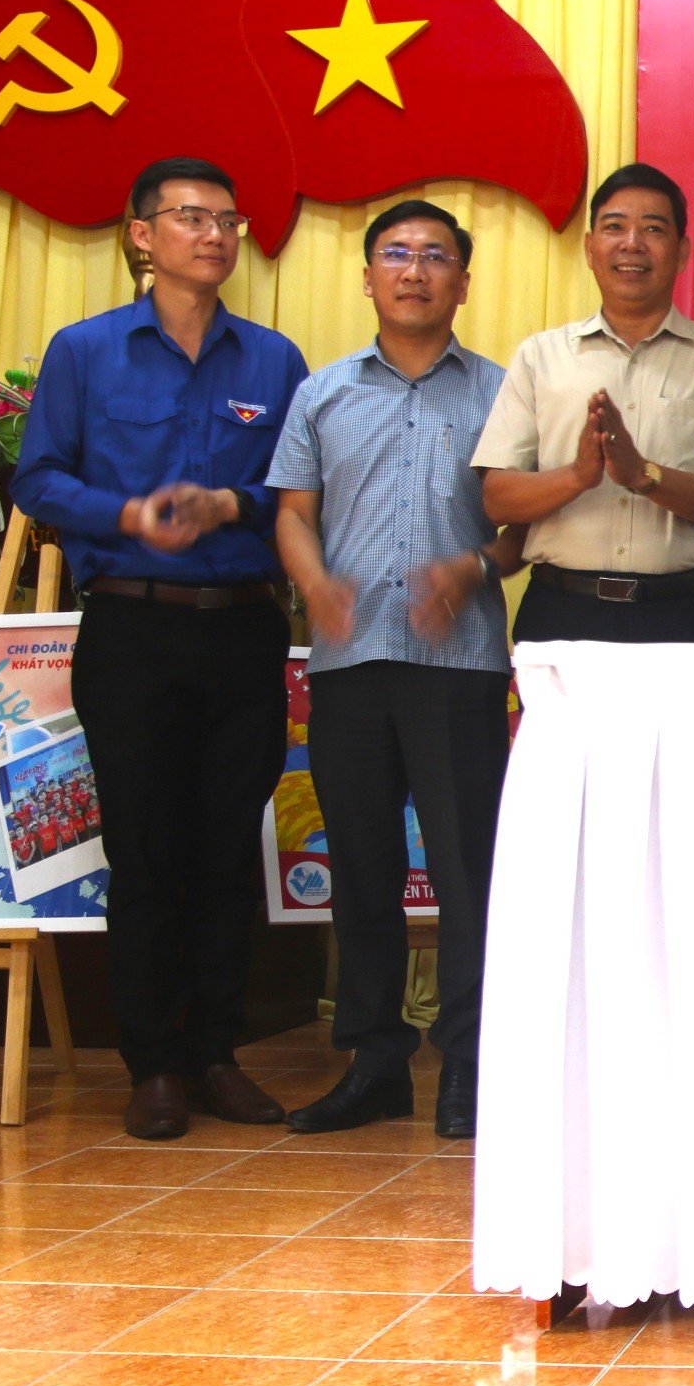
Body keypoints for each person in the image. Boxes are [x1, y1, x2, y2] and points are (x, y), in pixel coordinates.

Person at [12, 155, 307, 1142]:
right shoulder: (86, 352)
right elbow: (39, 480)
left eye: (229, 217)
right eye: (191, 217)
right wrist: (126, 511)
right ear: (142, 234)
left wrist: (236, 502)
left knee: (226, 848)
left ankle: (217, 1050)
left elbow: (303, 494)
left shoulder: (274, 361)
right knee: (142, 846)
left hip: (240, 626)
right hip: (131, 627)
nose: (216, 234)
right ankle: (153, 1063)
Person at [267, 199, 522, 1141]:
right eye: (395, 255)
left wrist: (474, 566)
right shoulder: (323, 392)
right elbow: (292, 511)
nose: (414, 271)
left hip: (457, 664)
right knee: (362, 870)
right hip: (347, 662)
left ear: (463, 279)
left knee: (466, 870)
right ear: (368, 276)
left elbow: (524, 525)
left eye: (435, 257)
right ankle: (374, 1061)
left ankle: (467, 1062)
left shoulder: (502, 390)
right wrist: (313, 583)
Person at [473, 163, 694, 643]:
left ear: (681, 251)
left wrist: (642, 475)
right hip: (564, 614)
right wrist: (576, 477)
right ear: (590, 249)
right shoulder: (539, 356)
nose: (632, 243)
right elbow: (497, 497)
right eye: (614, 227)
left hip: (684, 616)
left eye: (653, 228)